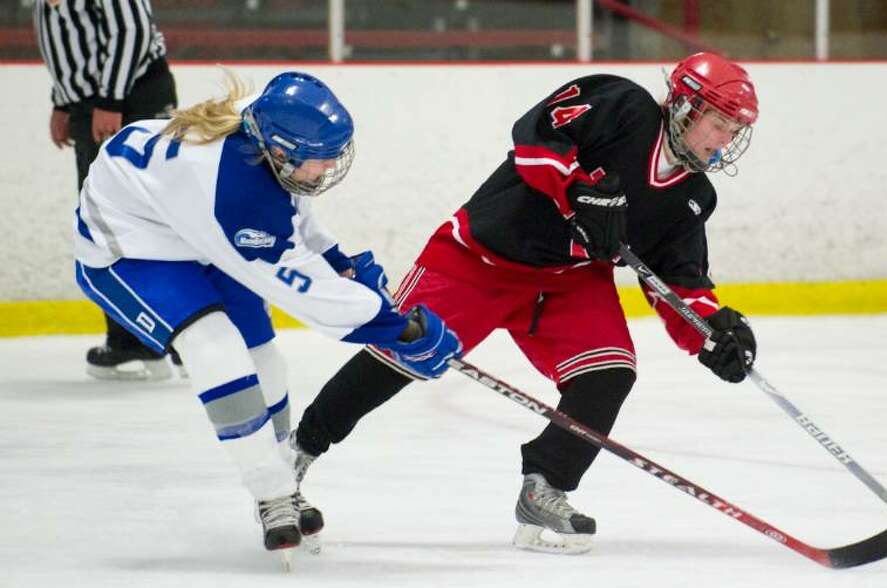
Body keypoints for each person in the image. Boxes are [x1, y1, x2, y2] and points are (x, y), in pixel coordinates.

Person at [290, 52, 760, 554]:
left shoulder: (692, 195)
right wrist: (577, 191)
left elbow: (677, 279)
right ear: (685, 106)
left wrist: (711, 332)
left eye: (734, 131)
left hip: (567, 282)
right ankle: (296, 453)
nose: (724, 141)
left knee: (609, 372)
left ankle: (545, 487)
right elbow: (534, 136)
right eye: (718, 123)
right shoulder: (622, 106)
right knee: (400, 353)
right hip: (480, 257)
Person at [73, 70, 462, 561]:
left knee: (263, 356)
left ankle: (279, 473)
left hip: (190, 226)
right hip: (128, 246)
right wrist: (398, 330)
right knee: (215, 347)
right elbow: (304, 294)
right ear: (279, 151)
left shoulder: (267, 124)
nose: (325, 170)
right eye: (317, 163)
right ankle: (270, 491)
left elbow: (292, 215)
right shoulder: (229, 192)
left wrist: (337, 261)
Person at [34, 0, 181, 381]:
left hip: (131, 98)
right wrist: (63, 101)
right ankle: (136, 338)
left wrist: (110, 99)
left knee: (155, 217)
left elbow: (130, 29)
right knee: (105, 221)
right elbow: (64, 34)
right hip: (97, 102)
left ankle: (180, 334)